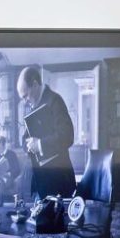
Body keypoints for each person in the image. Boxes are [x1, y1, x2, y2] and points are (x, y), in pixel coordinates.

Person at [16, 65, 77, 198]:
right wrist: (28, 145)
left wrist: (39, 145)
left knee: (58, 219)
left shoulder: (55, 101)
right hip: (41, 183)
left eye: (25, 96)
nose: (25, 101)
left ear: (35, 84)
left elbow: (67, 135)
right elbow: (24, 139)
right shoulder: (34, 105)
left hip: (58, 180)